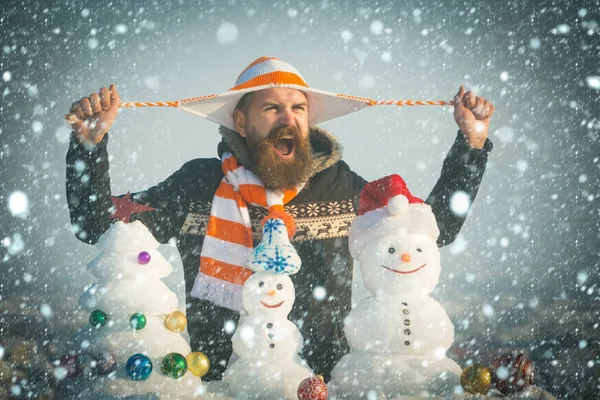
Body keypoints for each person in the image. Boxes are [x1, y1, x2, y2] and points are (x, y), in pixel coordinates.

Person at [66, 56, 494, 381]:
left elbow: (428, 228)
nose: (288, 118)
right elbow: (98, 225)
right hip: (218, 383)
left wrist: (470, 148)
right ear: (241, 120)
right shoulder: (197, 184)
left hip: (321, 385)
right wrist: (88, 146)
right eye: (271, 108)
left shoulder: (340, 185)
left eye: (298, 108)